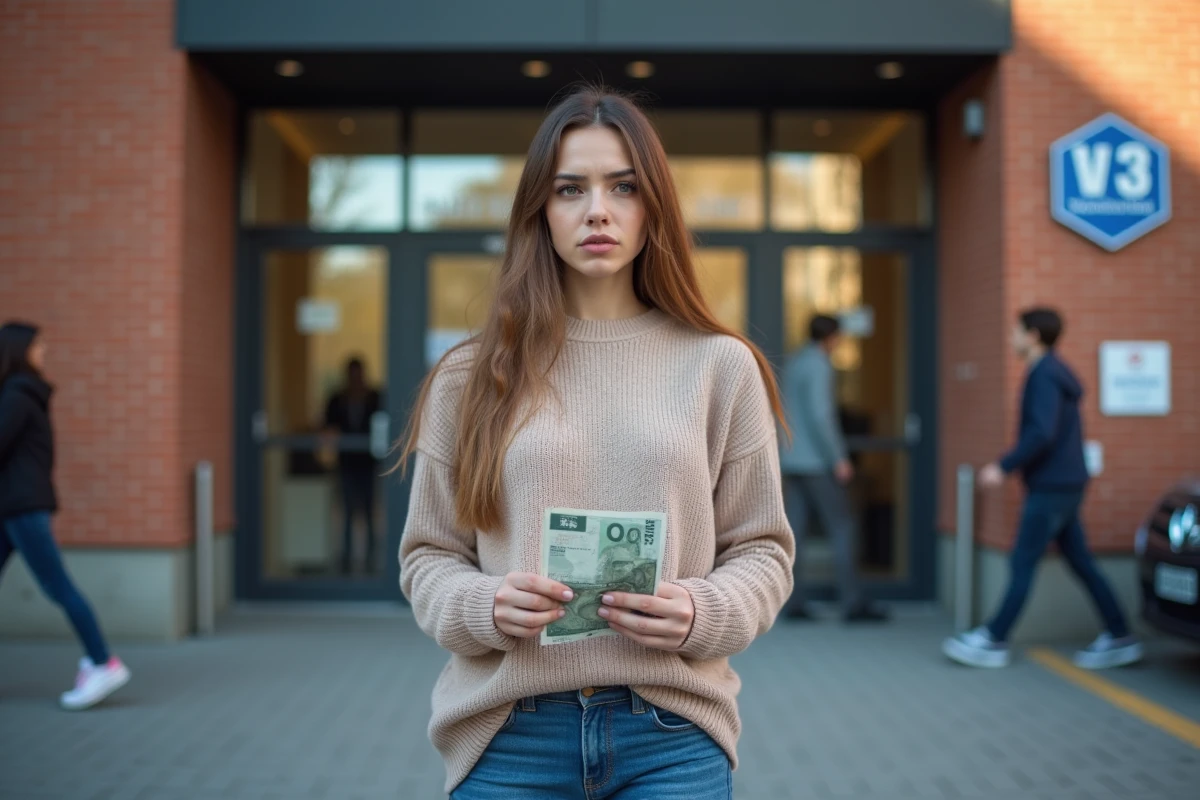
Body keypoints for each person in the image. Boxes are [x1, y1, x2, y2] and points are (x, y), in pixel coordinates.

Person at [398, 87, 795, 799]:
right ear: (539, 213)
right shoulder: (469, 375)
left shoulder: (719, 365)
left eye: (624, 187)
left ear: (655, 208)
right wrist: (483, 605)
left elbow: (764, 551)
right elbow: (429, 555)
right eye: (569, 189)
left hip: (670, 735)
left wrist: (701, 612)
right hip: (508, 736)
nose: (597, 211)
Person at [943, 307, 1142, 670]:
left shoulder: (1044, 375)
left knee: (1023, 560)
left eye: (1016, 332)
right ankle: (1120, 634)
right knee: (1081, 561)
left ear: (1033, 335)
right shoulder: (1054, 372)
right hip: (1065, 483)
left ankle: (994, 638)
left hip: (1052, 486)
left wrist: (1003, 467)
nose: (1011, 338)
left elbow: (1040, 432)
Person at [0, 321, 131, 709]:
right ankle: (100, 661)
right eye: (38, 347)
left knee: (59, 586)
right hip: (16, 506)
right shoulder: (21, 394)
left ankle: (101, 661)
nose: (44, 354)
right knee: (58, 585)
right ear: (18, 350)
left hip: (21, 507)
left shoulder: (16, 396)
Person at [779, 314, 888, 623]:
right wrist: (839, 457)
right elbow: (821, 415)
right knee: (843, 527)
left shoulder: (796, 361)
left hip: (793, 459)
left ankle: (793, 602)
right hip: (817, 462)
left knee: (795, 533)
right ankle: (852, 602)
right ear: (832, 337)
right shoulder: (819, 364)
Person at [322, 357, 383, 574]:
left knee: (368, 513)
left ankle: (371, 563)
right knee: (347, 513)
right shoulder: (337, 399)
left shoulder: (375, 398)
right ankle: (346, 564)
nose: (356, 380)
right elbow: (327, 429)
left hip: (369, 465)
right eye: (352, 375)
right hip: (346, 465)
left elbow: (384, 426)